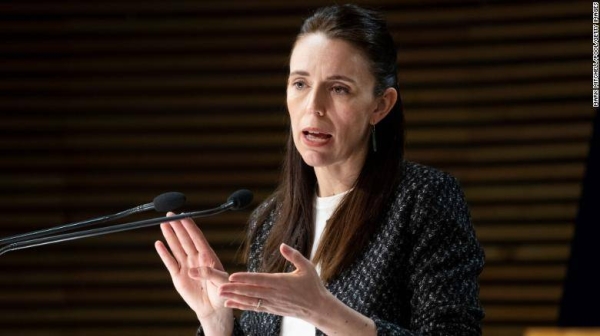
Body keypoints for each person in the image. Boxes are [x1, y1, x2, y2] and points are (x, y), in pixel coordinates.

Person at [154, 4, 485, 336]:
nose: (313, 106)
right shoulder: (270, 219)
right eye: (300, 84)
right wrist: (217, 321)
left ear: (380, 105)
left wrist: (323, 311)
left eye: (338, 88)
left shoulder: (422, 200)